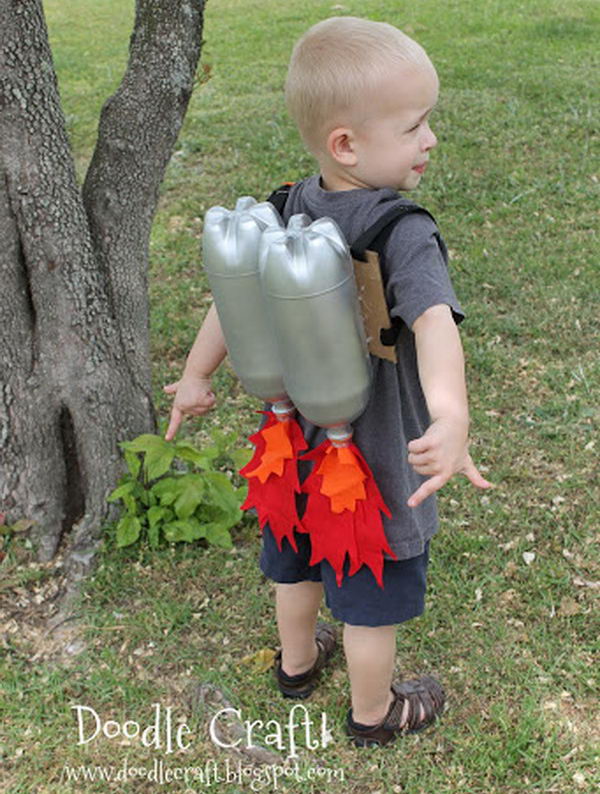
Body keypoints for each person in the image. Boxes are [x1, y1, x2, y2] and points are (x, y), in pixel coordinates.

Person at [164, 16, 492, 748]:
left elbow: (231, 300)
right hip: (374, 453)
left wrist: (194, 375)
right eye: (414, 127)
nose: (430, 139)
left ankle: (298, 663)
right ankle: (375, 712)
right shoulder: (402, 230)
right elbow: (434, 321)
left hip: (292, 441)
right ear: (347, 143)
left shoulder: (283, 210)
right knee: (370, 590)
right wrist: (449, 416)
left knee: (299, 549)